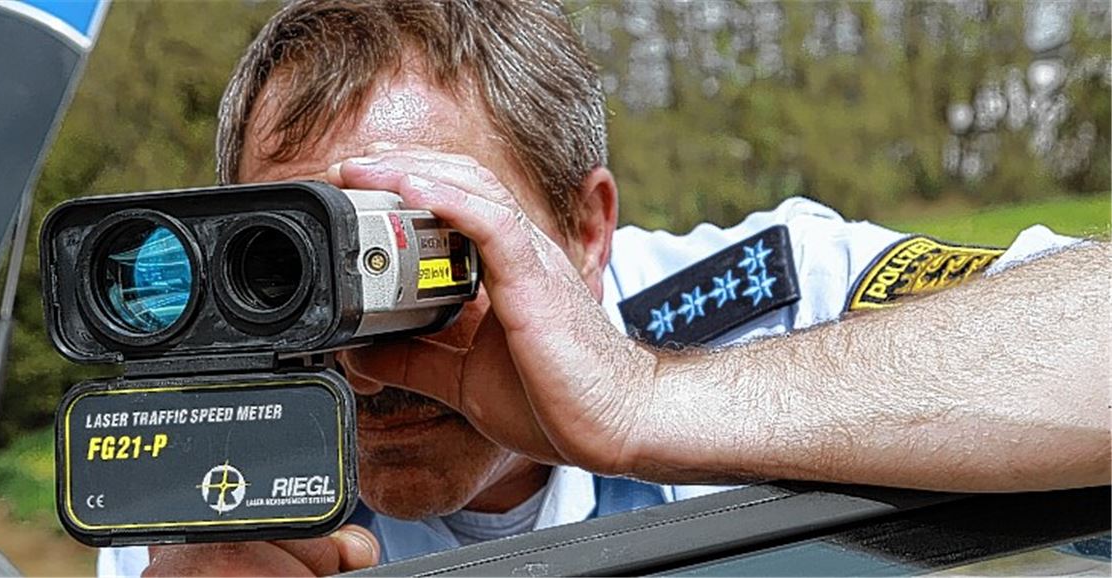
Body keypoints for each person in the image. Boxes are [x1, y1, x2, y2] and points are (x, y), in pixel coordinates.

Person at [112, 1, 1108, 576]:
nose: (359, 363)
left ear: (585, 229)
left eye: (426, 250)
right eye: (290, 262)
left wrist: (648, 399)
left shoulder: (764, 296)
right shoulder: (201, 469)